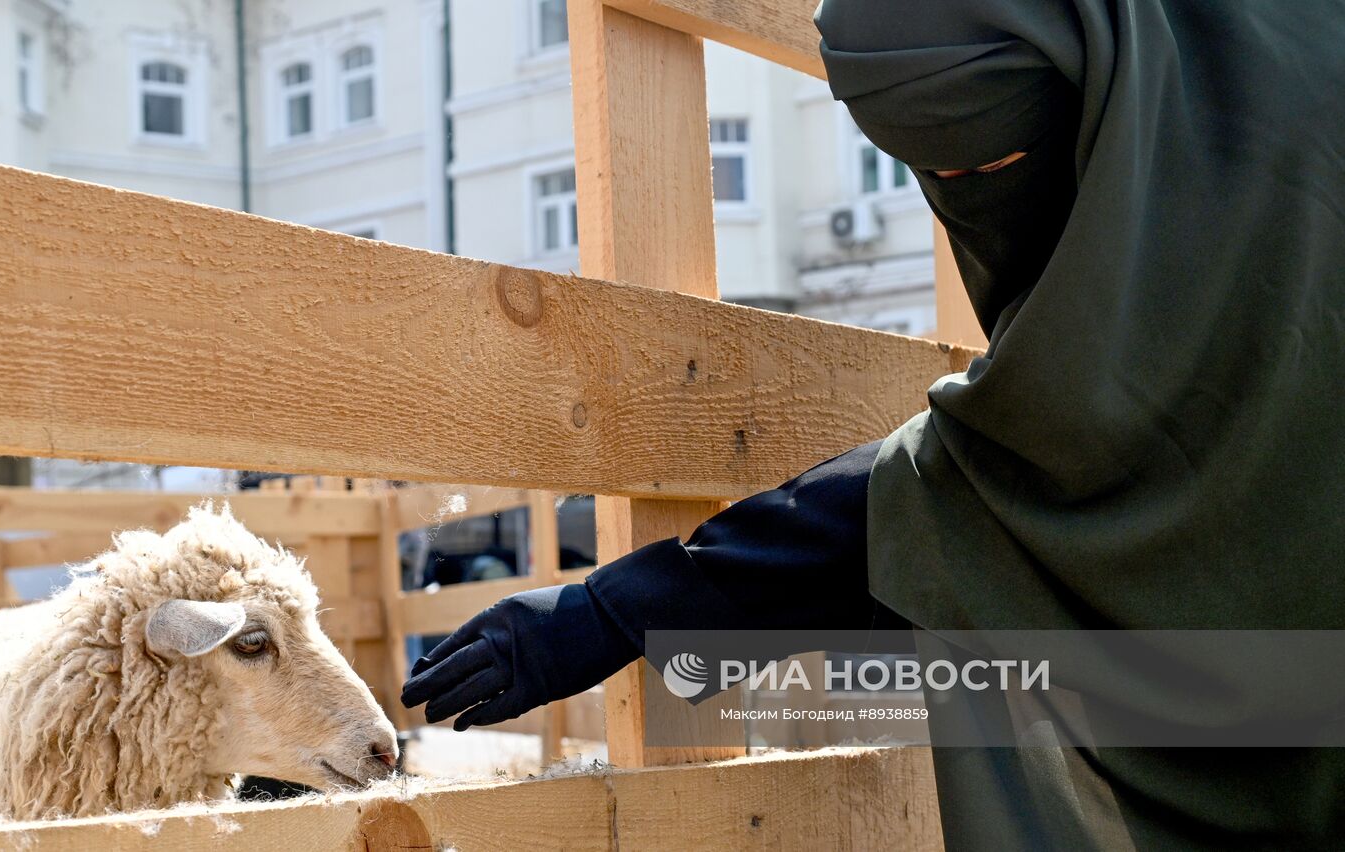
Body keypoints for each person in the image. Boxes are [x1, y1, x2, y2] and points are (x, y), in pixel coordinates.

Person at [403, 1, 1345, 846]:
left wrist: (623, 609)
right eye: (936, 175)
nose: (972, 195)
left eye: (999, 163)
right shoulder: (1180, 118)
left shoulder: (1285, 154)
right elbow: (988, 478)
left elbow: (980, 485)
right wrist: (619, 610)